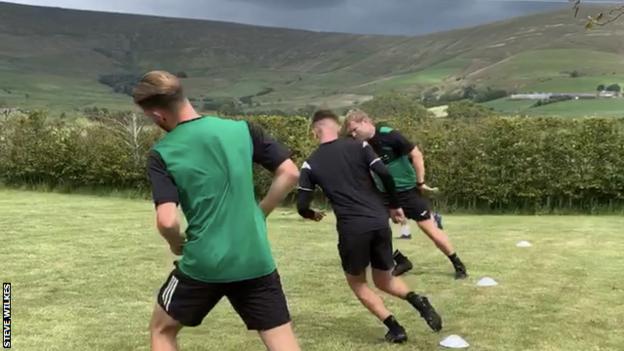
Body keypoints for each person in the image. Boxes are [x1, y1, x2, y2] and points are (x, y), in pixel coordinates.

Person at [133, 70, 302, 351]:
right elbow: (290, 173)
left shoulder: (162, 153)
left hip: (203, 264)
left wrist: (176, 244)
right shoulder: (242, 130)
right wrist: (262, 211)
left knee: (162, 330)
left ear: (157, 115)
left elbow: (167, 221)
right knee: (283, 344)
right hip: (255, 258)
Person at [297, 110, 443, 343]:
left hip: (352, 228)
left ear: (316, 131)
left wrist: (311, 214)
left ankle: (395, 328)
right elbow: (385, 175)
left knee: (357, 282)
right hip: (378, 221)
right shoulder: (360, 147)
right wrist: (394, 205)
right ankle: (418, 300)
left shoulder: (310, 164)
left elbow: (302, 205)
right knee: (384, 279)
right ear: (337, 127)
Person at [344, 109, 467, 279]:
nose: (353, 134)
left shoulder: (389, 135)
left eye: (355, 129)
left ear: (365, 122)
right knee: (368, 230)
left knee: (430, 230)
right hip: (383, 194)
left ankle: (458, 265)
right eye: (350, 132)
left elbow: (416, 155)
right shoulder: (361, 145)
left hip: (407, 192)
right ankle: (401, 260)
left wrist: (420, 182)